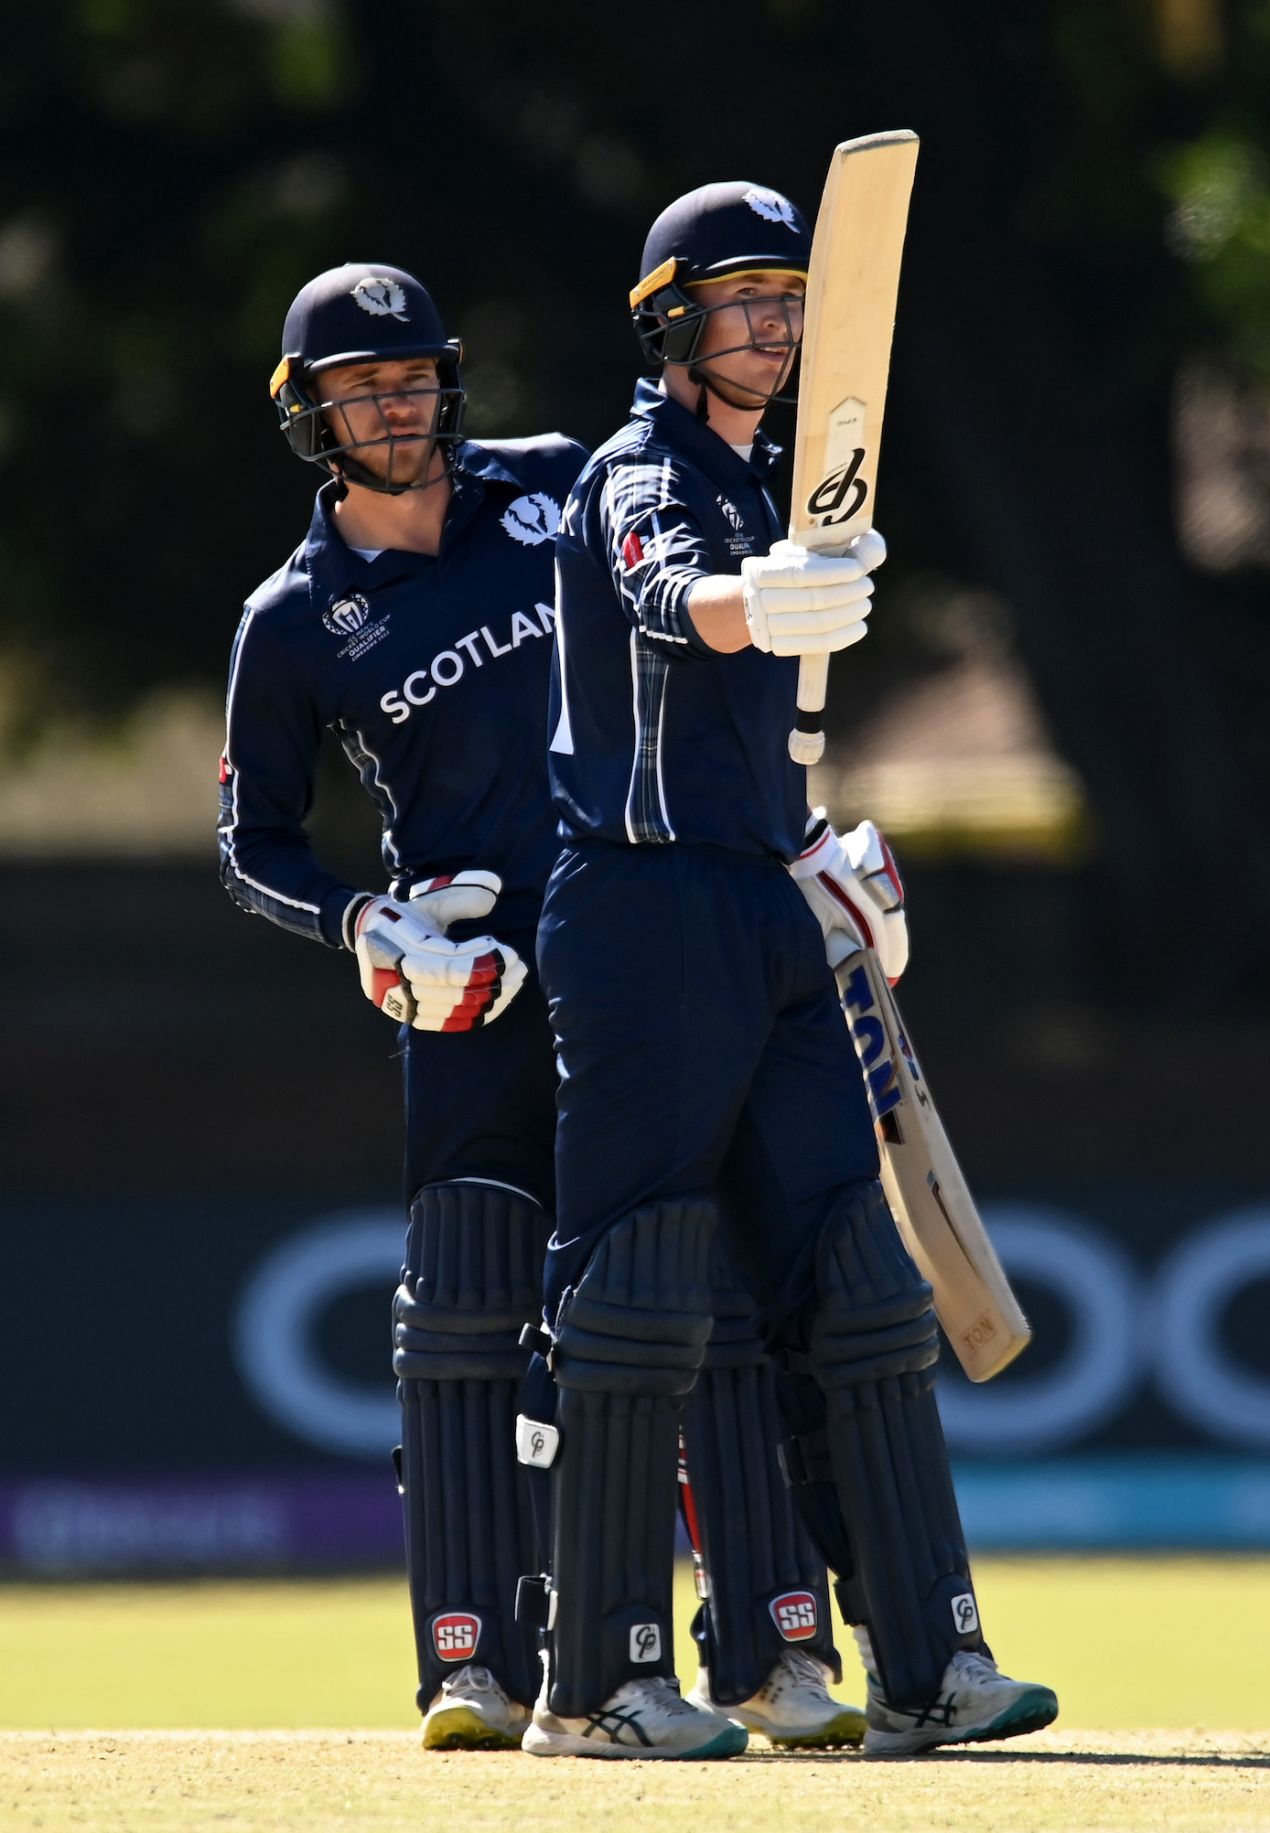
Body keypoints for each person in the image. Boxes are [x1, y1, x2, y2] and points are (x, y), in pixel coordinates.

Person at [219, 260, 867, 1754]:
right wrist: (367, 923)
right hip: (474, 981)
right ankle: (477, 1661)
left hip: (645, 940)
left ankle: (771, 1650)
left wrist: (800, 836)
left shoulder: (562, 485)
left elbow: (713, 666)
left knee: (696, 1289)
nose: (395, 409)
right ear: (311, 416)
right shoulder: (294, 619)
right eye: (360, 391)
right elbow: (253, 844)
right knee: (464, 1305)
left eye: (412, 379)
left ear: (451, 381)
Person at [524, 181, 1060, 1760]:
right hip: (638, 908)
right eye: (741, 299)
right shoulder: (637, 472)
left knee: (856, 1276)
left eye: (788, 300)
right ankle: (597, 1682)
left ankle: (928, 1661)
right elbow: (663, 592)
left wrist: (819, 847)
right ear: (670, 323)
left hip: (764, 899)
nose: (773, 324)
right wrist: (752, 597)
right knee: (638, 1283)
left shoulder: (777, 490)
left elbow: (756, 729)